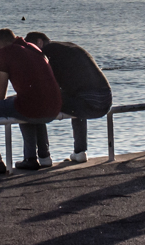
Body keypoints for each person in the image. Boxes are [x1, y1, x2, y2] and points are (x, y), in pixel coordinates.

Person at [0, 29, 62, 174]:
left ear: (0, 45)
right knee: (22, 102)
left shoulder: (5, 52)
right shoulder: (35, 48)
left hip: (33, 109)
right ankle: (31, 158)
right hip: (55, 107)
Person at [25, 31, 112, 163]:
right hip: (105, 99)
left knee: (37, 102)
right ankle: (80, 151)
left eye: (31, 49)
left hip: (89, 102)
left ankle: (43, 156)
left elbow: (48, 84)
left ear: (39, 42)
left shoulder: (49, 53)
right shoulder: (68, 47)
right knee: (75, 99)